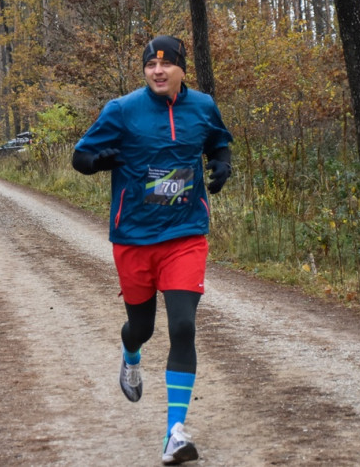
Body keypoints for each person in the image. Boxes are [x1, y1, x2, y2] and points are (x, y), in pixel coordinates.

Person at [72, 35, 233, 465]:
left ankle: (174, 433)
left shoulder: (202, 106)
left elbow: (218, 140)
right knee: (140, 328)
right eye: (149, 65)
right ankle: (130, 354)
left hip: (185, 235)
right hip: (135, 239)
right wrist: (98, 160)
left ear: (182, 69)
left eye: (166, 65)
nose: (157, 71)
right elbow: (80, 156)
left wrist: (222, 163)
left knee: (183, 327)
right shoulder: (122, 110)